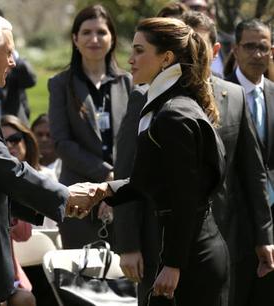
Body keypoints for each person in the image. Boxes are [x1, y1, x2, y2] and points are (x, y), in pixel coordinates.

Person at [0, 11, 102, 306]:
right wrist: (64, 196)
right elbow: (3, 169)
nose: (13, 61)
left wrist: (52, 203)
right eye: (8, 52)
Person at [102, 17, 229, 305]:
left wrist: (173, 265)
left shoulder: (172, 113)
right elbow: (154, 180)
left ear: (166, 58)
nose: (130, 59)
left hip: (192, 263)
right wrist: (104, 191)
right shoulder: (167, 105)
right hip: (188, 255)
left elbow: (185, 197)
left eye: (139, 50)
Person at [48, 4, 133, 249]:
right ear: (75, 39)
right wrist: (106, 176)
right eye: (86, 32)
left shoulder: (128, 83)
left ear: (112, 38)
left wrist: (116, 187)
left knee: (124, 277)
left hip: (124, 196)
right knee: (81, 278)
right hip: (78, 199)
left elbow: (134, 140)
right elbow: (62, 143)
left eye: (101, 32)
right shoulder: (61, 84)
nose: (94, 39)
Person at [226, 18, 274, 306]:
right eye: (250, 46)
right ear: (235, 49)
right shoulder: (218, 92)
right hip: (232, 220)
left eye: (264, 47)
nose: (257, 54)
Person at [31, 113, 61, 178]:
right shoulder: (27, 168)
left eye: (49, 135)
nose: (44, 139)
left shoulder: (68, 168)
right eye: (39, 134)